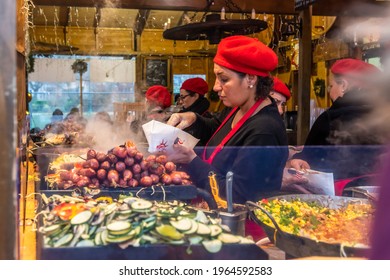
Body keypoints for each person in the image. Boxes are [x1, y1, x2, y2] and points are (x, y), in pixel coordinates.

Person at [166, 35, 289, 205]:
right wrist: (193, 117)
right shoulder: (238, 107)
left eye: (224, 79)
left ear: (251, 79)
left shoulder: (264, 131)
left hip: (242, 224)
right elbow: (218, 130)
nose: (216, 86)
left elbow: (237, 195)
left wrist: (192, 161)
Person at [286, 58, 385, 194]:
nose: (329, 92)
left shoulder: (330, 119)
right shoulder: (384, 118)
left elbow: (308, 162)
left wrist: (296, 160)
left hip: (338, 199)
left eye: (331, 86)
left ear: (343, 86)